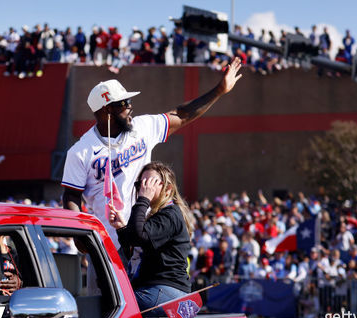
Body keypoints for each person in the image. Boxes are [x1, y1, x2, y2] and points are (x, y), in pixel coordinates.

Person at [61, 57, 242, 248]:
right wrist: (79, 236)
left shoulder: (142, 127)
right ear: (107, 109)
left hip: (144, 238)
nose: (130, 107)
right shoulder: (80, 152)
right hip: (107, 246)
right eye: (124, 103)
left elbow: (182, 114)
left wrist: (219, 91)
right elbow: (71, 196)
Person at [107, 162, 194, 316]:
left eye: (150, 183)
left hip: (167, 290)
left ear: (168, 189)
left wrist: (143, 199)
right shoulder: (161, 215)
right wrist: (121, 228)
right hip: (159, 290)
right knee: (109, 302)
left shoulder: (170, 214)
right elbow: (134, 241)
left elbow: (139, 236)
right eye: (141, 183)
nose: (144, 188)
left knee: (111, 309)